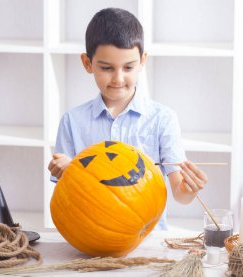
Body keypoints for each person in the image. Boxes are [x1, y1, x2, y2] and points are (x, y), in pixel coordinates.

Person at [48, 7, 208, 230]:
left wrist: (190, 189)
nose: (118, 78)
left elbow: (179, 193)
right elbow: (67, 201)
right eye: (106, 68)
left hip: (148, 238)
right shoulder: (72, 122)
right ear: (87, 63)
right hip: (91, 235)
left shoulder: (163, 119)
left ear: (142, 61)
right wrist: (68, 172)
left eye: (128, 67)